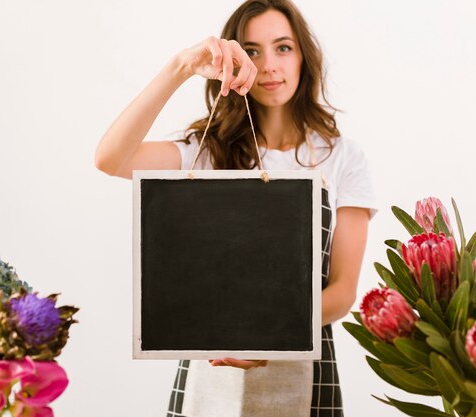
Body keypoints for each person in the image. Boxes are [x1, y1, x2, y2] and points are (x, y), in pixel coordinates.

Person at [95, 1, 376, 415]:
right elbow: (110, 159)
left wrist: (265, 335)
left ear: (304, 56)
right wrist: (180, 66)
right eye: (253, 51)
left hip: (306, 364)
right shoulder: (206, 152)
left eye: (283, 48)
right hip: (209, 371)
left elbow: (342, 291)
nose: (268, 66)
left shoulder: (342, 157)